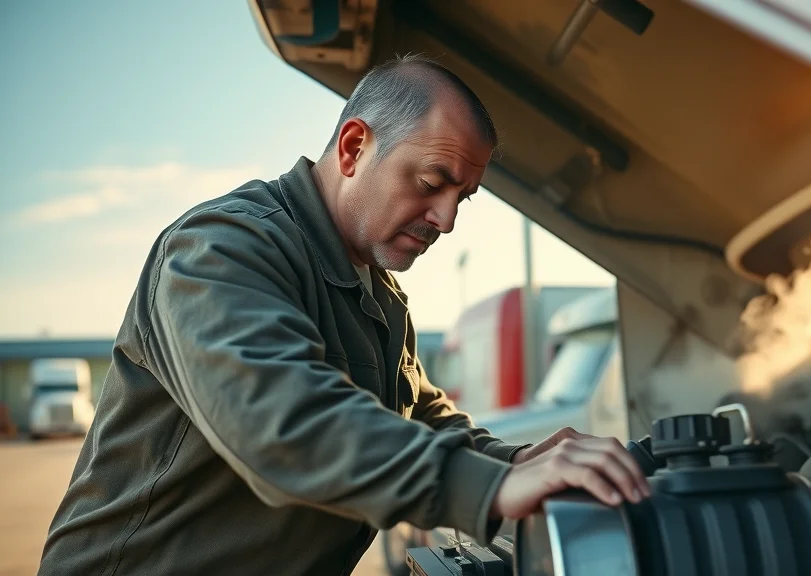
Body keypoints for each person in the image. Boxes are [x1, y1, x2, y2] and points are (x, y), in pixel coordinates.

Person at [37, 55, 650, 576]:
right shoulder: (221, 247)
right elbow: (281, 423)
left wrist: (518, 463)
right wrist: (489, 490)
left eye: (460, 197)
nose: (447, 219)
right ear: (356, 146)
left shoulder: (379, 295)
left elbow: (416, 417)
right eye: (431, 181)